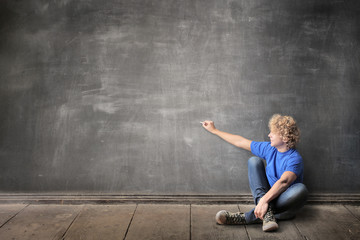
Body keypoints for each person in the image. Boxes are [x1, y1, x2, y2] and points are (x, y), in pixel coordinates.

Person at [201, 114, 308, 232]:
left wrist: (263, 201)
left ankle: (248, 217)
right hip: (267, 195)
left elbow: (284, 182)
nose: (269, 135)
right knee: (254, 161)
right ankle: (268, 215)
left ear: (285, 138)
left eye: (273, 133)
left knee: (300, 189)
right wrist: (215, 130)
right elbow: (240, 141)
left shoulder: (294, 159)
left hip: (283, 199)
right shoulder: (269, 149)